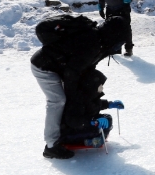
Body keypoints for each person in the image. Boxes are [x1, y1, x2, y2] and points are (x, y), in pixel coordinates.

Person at [31, 14, 127, 159]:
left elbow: (84, 69)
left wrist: (103, 102)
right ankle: (51, 146)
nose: (119, 47)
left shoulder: (101, 43)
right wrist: (74, 97)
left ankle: (63, 133)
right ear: (113, 36)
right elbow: (72, 73)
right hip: (44, 66)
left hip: (59, 66)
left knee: (76, 97)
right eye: (119, 43)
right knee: (58, 101)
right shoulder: (92, 42)